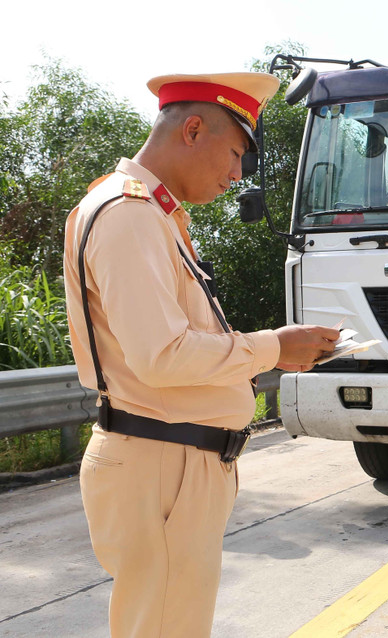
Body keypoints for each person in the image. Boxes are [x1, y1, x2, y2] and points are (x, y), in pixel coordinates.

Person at [63, 72, 340, 638]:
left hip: (168, 459)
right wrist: (273, 347)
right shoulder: (131, 213)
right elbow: (161, 357)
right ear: (193, 128)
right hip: (163, 461)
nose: (237, 174)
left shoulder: (150, 213)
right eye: (237, 153)